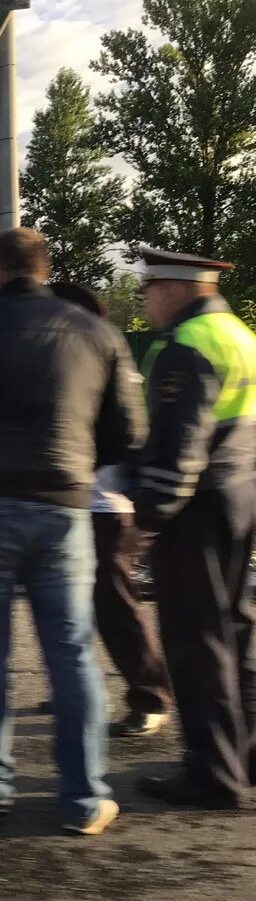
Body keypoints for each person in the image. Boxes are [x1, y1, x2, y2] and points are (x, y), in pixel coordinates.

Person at [0, 228, 146, 836]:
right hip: (63, 509)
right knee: (70, 651)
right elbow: (128, 433)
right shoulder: (95, 332)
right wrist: (74, 461)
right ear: (43, 271)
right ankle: (83, 799)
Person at [131, 247, 256, 810]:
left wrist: (148, 521)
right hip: (243, 496)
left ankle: (212, 775)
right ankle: (244, 756)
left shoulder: (186, 346)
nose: (146, 300)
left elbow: (178, 450)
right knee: (238, 631)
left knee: (195, 642)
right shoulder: (240, 335)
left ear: (176, 288)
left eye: (148, 289)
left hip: (199, 508)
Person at [47, 281, 172, 737]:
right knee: (66, 607)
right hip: (73, 504)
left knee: (116, 608)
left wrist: (141, 511)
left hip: (104, 507)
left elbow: (132, 439)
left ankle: (151, 696)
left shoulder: (104, 358)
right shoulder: (75, 359)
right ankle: (75, 687)